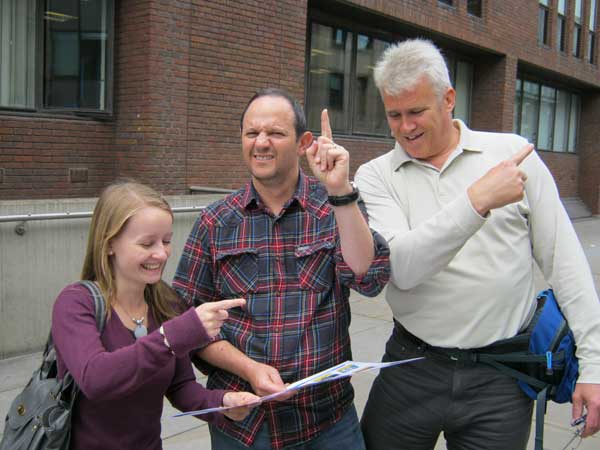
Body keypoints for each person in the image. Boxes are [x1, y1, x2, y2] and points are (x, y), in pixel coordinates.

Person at [354, 38, 600, 449]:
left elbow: (567, 266)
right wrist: (477, 201)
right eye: (393, 115)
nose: (405, 127)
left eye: (416, 111)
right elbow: (404, 269)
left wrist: (594, 366)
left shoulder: (511, 156)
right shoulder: (376, 176)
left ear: (448, 98)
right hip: (412, 368)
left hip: (500, 377)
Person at [172, 88, 390, 449]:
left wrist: (340, 192)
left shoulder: (334, 208)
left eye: (275, 133)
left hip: (327, 424)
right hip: (244, 428)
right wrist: (250, 370)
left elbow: (369, 278)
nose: (261, 143)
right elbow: (186, 325)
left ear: (304, 142)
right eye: (251, 133)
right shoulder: (214, 222)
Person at [51, 181, 260, 450]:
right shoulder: (75, 303)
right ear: (110, 243)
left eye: (167, 241)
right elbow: (97, 379)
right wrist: (174, 335)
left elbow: (181, 387)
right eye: (147, 243)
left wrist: (222, 403)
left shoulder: (165, 303)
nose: (161, 254)